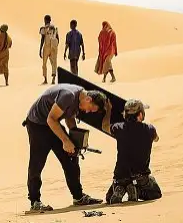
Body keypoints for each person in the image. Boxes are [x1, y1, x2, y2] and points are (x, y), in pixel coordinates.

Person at [22, 83, 107, 211]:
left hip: (53, 124)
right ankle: (35, 202)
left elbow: (69, 117)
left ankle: (78, 197)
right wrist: (65, 140)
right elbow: (51, 119)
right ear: (88, 99)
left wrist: (74, 138)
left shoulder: (80, 99)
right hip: (38, 124)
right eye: (90, 108)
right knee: (37, 163)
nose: (87, 111)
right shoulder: (69, 95)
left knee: (71, 158)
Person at [101, 98, 162, 204]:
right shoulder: (149, 129)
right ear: (140, 115)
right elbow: (157, 139)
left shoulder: (118, 128)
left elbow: (105, 127)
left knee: (109, 198)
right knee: (155, 193)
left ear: (125, 114)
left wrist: (108, 111)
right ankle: (135, 189)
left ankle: (121, 187)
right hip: (140, 177)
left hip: (120, 177)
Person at [39, 15, 59, 84]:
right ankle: (53, 79)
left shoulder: (44, 28)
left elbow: (42, 39)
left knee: (44, 63)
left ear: (45, 20)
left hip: (46, 47)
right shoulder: (54, 28)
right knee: (54, 63)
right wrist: (55, 47)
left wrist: (40, 49)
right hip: (53, 47)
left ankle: (45, 79)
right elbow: (58, 38)